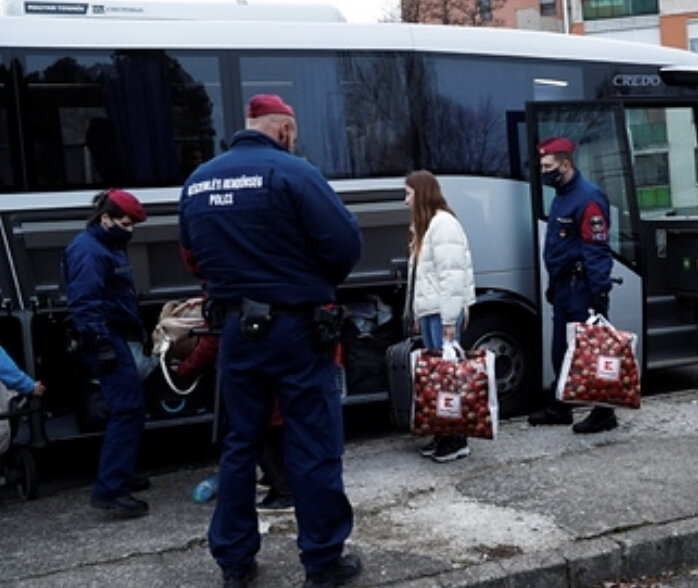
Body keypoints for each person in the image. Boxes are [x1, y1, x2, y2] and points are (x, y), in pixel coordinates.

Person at [179, 94, 363, 588]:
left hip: (236, 329)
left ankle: (235, 565)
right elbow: (345, 246)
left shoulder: (199, 181)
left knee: (241, 444)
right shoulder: (293, 173)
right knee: (313, 441)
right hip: (297, 327)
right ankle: (323, 562)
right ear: (283, 129)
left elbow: (193, 259)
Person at [62, 189, 151, 516]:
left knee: (128, 407)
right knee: (128, 408)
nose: (130, 231)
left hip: (107, 333)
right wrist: (100, 343)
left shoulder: (103, 246)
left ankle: (121, 476)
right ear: (105, 218)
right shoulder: (90, 251)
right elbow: (85, 303)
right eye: (125, 224)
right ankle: (112, 491)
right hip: (102, 336)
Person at [526, 137, 618, 435]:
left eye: (548, 166)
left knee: (589, 352)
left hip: (583, 288)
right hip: (565, 286)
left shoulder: (587, 198)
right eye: (542, 166)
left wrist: (599, 293)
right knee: (562, 351)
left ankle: (604, 413)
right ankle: (561, 406)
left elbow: (596, 247)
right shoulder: (562, 196)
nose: (544, 172)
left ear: (566, 164)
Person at [404, 170, 476, 463]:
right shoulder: (428, 225)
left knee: (448, 379)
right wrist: (420, 313)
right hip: (433, 312)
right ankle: (444, 434)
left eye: (408, 193)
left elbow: (451, 277)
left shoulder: (442, 225)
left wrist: (448, 321)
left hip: (442, 314)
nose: (405, 200)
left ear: (421, 194)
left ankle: (456, 438)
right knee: (440, 380)